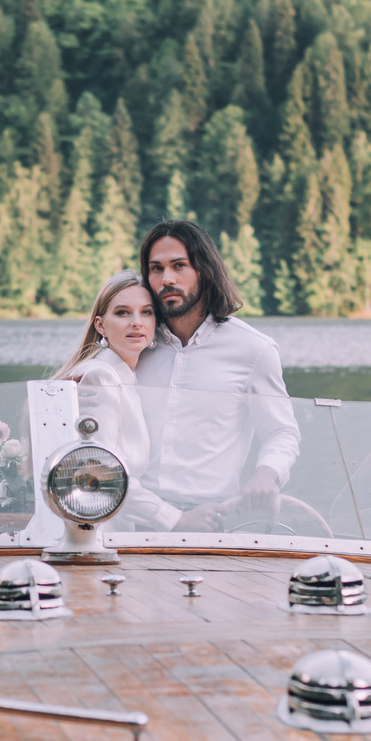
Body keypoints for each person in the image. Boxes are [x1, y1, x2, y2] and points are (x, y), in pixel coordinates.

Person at [133, 219, 300, 525]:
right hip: (136, 515)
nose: (166, 278)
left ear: (204, 271)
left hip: (211, 519)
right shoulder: (134, 345)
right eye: (156, 268)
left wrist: (266, 476)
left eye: (179, 265)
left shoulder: (253, 350)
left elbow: (281, 432)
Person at [52, 270, 180, 528]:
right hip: (92, 526)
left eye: (146, 312)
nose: (136, 322)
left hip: (114, 523)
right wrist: (174, 518)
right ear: (100, 325)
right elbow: (101, 471)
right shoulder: (101, 376)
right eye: (123, 313)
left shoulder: (124, 377)